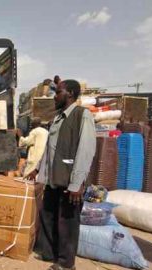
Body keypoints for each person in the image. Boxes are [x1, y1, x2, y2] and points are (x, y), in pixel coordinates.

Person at [29, 79, 96, 270]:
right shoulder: (57, 118)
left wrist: (76, 184)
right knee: (48, 215)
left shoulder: (82, 115)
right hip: (53, 179)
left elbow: (85, 151)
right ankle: (50, 253)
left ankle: (66, 264)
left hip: (69, 182)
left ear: (71, 94)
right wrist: (38, 170)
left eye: (58, 92)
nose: (54, 96)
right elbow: (50, 150)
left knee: (67, 223)